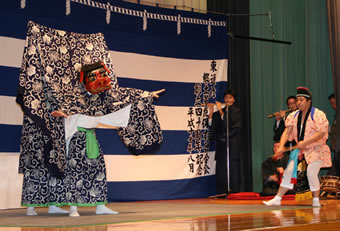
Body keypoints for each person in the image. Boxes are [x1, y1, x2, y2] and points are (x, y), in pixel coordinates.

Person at [263, 87, 332, 207]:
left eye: (301, 100)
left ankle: (316, 200)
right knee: (288, 172)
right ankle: (278, 198)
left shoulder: (318, 114)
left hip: (316, 149)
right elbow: (287, 132)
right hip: (300, 150)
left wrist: (305, 142)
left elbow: (321, 133)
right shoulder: (293, 116)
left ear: (309, 101)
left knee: (311, 172)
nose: (298, 103)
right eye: (297, 100)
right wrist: (281, 146)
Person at [208, 89, 241, 194]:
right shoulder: (221, 111)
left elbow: (229, 124)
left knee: (232, 169)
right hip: (221, 145)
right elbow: (211, 126)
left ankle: (233, 191)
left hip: (231, 145)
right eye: (226, 97)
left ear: (234, 99)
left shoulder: (236, 111)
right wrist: (211, 113)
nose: (228, 100)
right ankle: (222, 191)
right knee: (221, 168)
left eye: (230, 97)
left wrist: (221, 110)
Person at [327, 93, 340, 176]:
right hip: (336, 150)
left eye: (334, 103)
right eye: (331, 104)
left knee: (334, 173)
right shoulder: (336, 115)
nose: (333, 106)